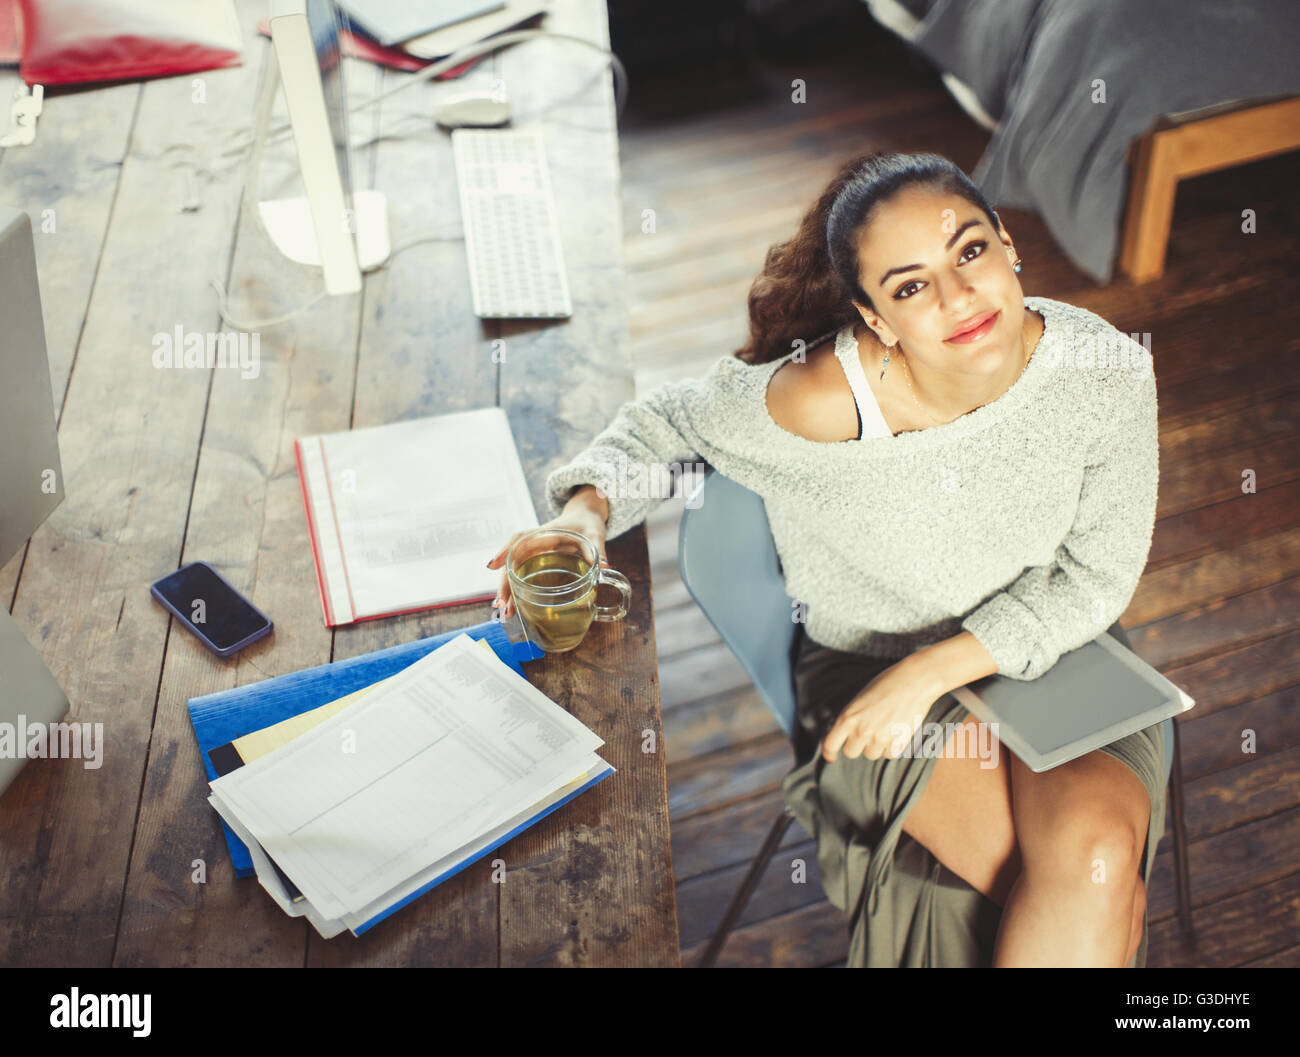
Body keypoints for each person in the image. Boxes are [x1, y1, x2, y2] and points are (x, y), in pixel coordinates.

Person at [486, 150, 1165, 967]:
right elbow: (667, 424)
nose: (957, 298)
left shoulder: (1105, 372)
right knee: (1090, 891)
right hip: (873, 666)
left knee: (1094, 860)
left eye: (970, 252)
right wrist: (585, 512)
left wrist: (935, 672)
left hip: (1053, 651)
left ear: (1008, 244)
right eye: (910, 286)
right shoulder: (822, 403)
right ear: (875, 318)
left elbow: (1095, 578)